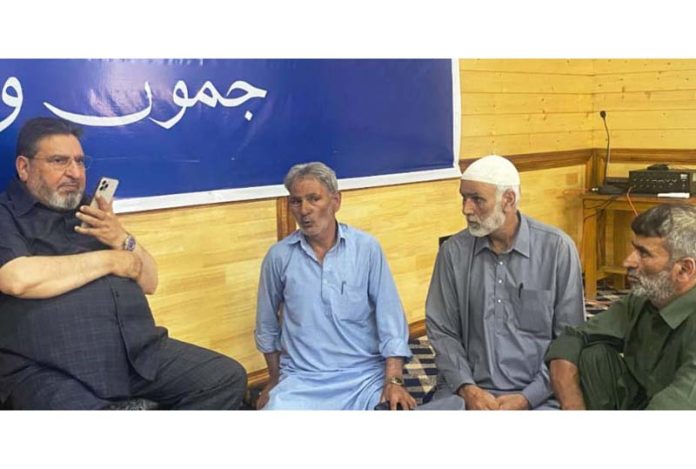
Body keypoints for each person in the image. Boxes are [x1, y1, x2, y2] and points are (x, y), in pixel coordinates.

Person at [0, 117, 247, 409]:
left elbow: (150, 280)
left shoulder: (94, 210)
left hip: (137, 354)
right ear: (24, 167)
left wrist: (122, 237)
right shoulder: (7, 214)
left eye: (80, 162)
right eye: (59, 161)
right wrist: (111, 260)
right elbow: (15, 278)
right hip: (52, 367)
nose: (75, 173)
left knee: (226, 378)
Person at [422, 154, 585, 410]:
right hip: (465, 394)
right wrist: (468, 389)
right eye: (464, 198)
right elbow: (443, 332)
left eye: (477, 200)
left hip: (540, 396)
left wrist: (527, 397)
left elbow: (570, 339)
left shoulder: (557, 249)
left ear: (508, 200)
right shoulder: (453, 252)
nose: (466, 209)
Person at [255, 162, 415, 410]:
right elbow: (266, 326)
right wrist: (275, 379)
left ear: (336, 201)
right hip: (302, 379)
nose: (304, 210)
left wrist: (393, 379)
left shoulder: (366, 249)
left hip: (364, 377)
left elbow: (390, 318)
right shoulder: (279, 257)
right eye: (296, 202)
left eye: (313, 199)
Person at [547, 204, 696, 410]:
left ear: (684, 269)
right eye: (634, 248)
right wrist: (573, 408)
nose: (628, 261)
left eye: (643, 254)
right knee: (591, 354)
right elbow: (572, 338)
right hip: (642, 400)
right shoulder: (644, 298)